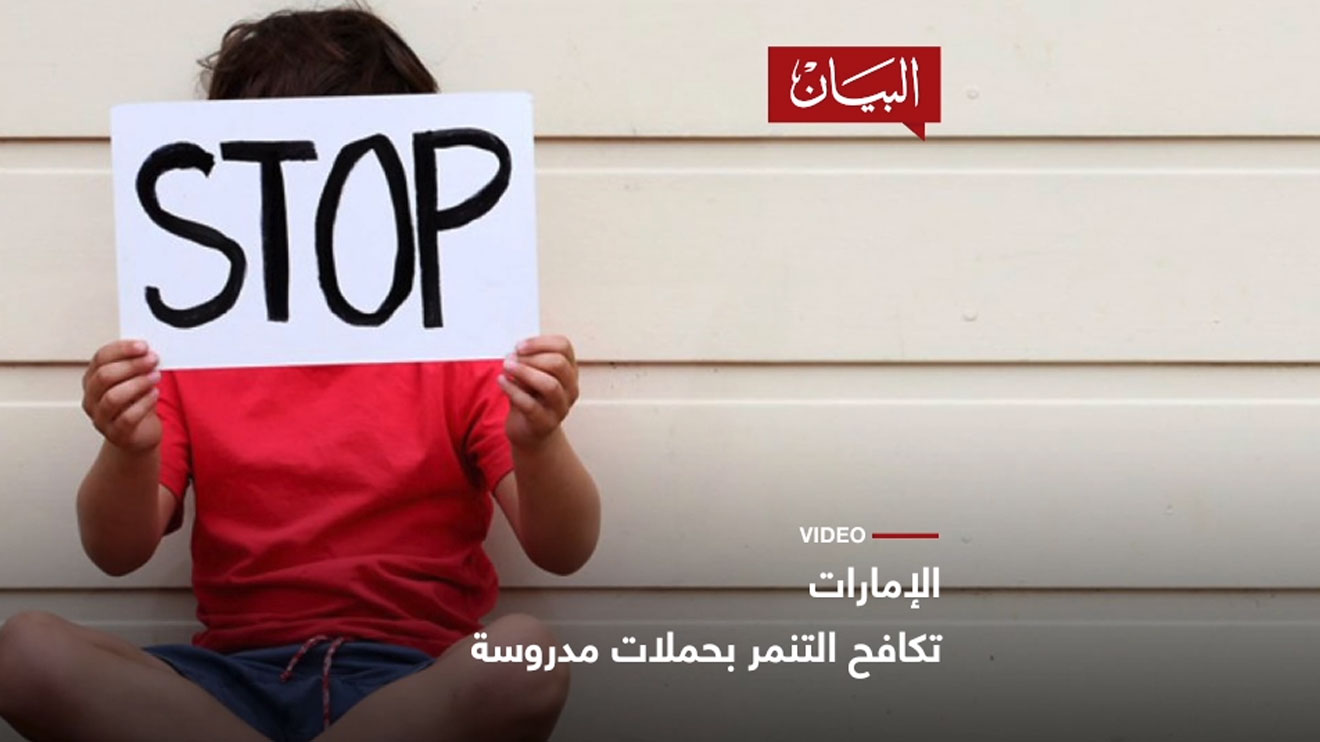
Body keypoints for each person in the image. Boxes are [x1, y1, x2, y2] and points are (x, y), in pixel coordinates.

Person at [0, 7, 600, 742]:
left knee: (528, 655)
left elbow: (564, 548)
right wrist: (126, 446)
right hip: (225, 686)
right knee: (23, 651)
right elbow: (114, 551)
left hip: (410, 684)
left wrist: (540, 440)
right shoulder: (191, 351)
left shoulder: (463, 351)